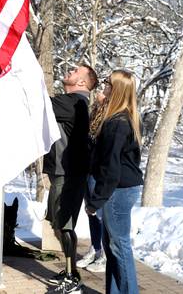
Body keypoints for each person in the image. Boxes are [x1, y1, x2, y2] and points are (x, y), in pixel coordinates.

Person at [85, 70, 144, 294]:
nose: (104, 86)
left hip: (118, 191)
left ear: (117, 89)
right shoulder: (124, 117)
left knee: (120, 247)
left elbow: (111, 167)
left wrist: (96, 200)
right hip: (121, 188)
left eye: (108, 83)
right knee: (114, 246)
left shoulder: (117, 123)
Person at [44, 64, 98, 294]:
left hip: (67, 176)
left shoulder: (73, 102)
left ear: (83, 82)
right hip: (65, 174)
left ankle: (72, 277)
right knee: (59, 224)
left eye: (75, 71)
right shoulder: (75, 102)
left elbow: (38, 102)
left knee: (64, 225)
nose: (69, 71)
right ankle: (70, 271)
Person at [77, 89, 107, 273]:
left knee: (100, 214)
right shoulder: (94, 113)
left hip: (98, 172)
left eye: (104, 90)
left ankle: (104, 254)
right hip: (88, 170)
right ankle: (95, 248)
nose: (99, 92)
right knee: (90, 213)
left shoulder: (109, 117)